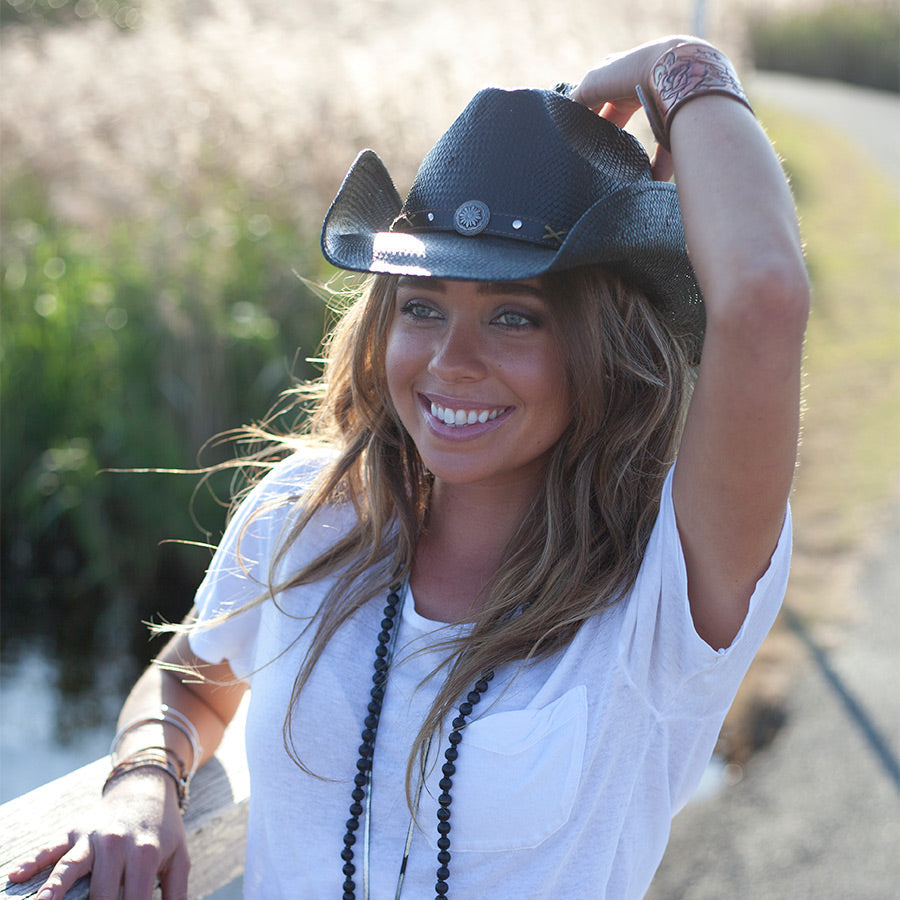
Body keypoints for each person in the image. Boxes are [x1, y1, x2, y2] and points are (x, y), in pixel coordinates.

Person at [9, 34, 809, 900]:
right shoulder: (307, 512)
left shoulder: (666, 587)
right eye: (423, 306)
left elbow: (762, 299)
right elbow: (191, 681)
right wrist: (142, 781)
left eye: (516, 317)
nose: (449, 362)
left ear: (604, 346)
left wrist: (683, 70)